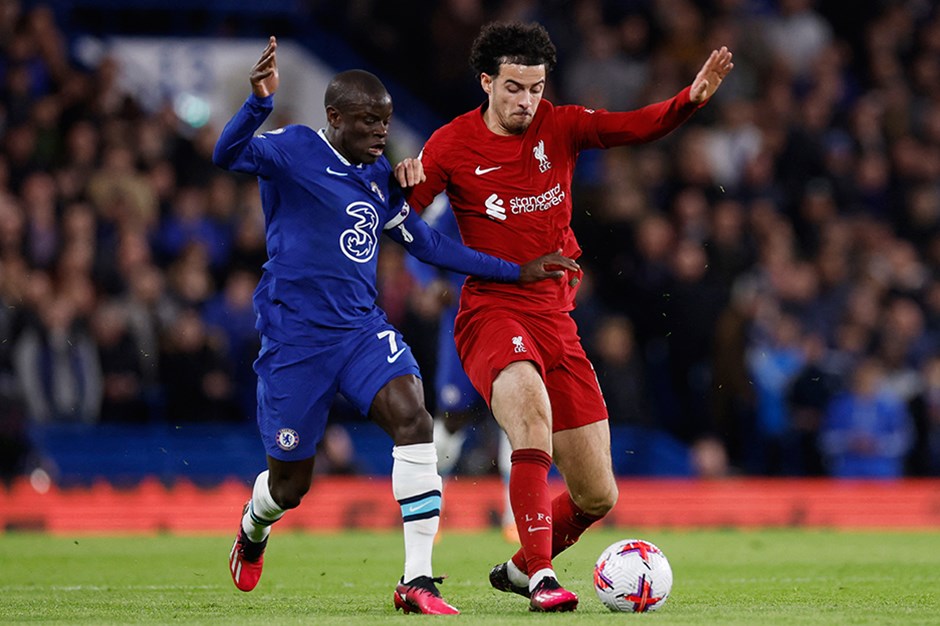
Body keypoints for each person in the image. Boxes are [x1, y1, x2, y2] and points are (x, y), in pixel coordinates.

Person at [212, 36, 579, 615]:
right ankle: (254, 524)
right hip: (295, 341)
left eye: (385, 121)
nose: (381, 133)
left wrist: (515, 270)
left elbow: (427, 243)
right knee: (289, 486)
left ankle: (418, 579)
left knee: (414, 417)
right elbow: (226, 154)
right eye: (368, 121)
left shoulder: (379, 175)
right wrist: (259, 103)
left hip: (360, 332)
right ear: (335, 118)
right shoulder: (294, 148)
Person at [399, 22, 733, 612]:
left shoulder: (562, 125)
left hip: (557, 318)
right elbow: (402, 222)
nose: (527, 101)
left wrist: (689, 101)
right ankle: (542, 580)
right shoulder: (451, 144)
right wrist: (396, 183)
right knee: (531, 423)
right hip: (492, 311)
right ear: (486, 82)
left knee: (598, 494)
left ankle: (517, 567)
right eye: (513, 88)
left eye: (536, 88)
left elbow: (633, 126)